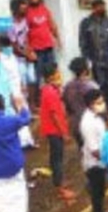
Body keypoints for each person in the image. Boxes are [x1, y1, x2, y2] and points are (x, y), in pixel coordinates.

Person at [39, 62, 77, 202]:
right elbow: (55, 114)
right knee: (57, 158)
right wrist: (64, 133)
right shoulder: (50, 92)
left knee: (56, 157)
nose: (59, 74)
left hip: (52, 129)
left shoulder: (48, 89)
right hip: (54, 130)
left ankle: (59, 181)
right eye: (56, 72)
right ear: (51, 76)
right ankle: (60, 188)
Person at [79, 0, 108, 112]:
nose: (102, 9)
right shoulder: (86, 23)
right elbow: (83, 42)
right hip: (96, 60)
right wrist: (86, 58)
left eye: (103, 6)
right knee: (100, 84)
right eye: (100, 7)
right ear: (94, 8)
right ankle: (102, 107)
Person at [25, 0, 60, 108]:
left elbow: (52, 24)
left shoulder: (44, 9)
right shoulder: (26, 12)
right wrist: (29, 51)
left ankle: (54, 97)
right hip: (36, 50)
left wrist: (57, 38)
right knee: (36, 77)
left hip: (48, 47)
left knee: (52, 73)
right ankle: (36, 103)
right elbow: (24, 34)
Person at [0, 36, 36, 148]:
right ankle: (21, 142)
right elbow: (3, 78)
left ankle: (28, 140)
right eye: (6, 46)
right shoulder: (1, 59)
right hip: (10, 91)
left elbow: (17, 73)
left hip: (18, 89)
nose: (9, 48)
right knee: (16, 115)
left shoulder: (13, 57)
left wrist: (22, 85)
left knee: (24, 113)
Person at [79, 89, 108, 212]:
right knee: (97, 197)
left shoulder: (97, 117)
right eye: (99, 102)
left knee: (100, 193)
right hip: (95, 165)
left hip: (100, 162)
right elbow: (94, 151)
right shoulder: (88, 123)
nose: (102, 104)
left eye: (102, 101)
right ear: (91, 104)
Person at [63, 57, 100, 148]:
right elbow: (98, 107)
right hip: (91, 124)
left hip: (76, 123)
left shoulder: (68, 87)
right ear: (85, 71)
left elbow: (67, 107)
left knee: (83, 150)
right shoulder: (91, 86)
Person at [8, 0, 37, 110]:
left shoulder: (25, 21)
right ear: (16, 9)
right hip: (18, 58)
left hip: (27, 55)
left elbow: (27, 38)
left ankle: (32, 104)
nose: (25, 10)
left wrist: (30, 51)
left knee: (32, 80)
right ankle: (24, 108)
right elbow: (14, 45)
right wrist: (26, 54)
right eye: (22, 8)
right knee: (22, 82)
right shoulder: (10, 25)